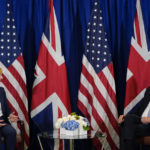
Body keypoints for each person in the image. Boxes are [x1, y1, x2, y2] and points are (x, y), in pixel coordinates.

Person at [0, 68, 18, 150]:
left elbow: (6, 108)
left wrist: (10, 115)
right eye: (0, 75)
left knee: (11, 132)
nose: (1, 78)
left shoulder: (1, 90)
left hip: (2, 121)